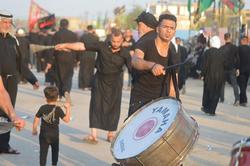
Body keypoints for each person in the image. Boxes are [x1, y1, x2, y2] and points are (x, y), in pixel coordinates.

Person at [55, 29, 131, 144]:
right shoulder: (102, 46)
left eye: (118, 41)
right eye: (113, 41)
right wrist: (66, 45)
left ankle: (111, 134)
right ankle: (93, 135)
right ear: (110, 39)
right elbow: (82, 46)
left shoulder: (125, 53)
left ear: (122, 40)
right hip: (99, 80)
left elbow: (132, 69)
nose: (115, 44)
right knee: (95, 105)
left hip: (115, 82)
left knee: (113, 108)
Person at [0, 10, 39, 154]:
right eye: (4, 22)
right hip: (0, 81)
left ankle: (4, 145)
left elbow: (20, 64)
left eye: (9, 23)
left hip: (11, 81)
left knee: (9, 113)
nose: (7, 25)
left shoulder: (13, 40)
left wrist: (32, 79)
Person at [128, 13, 179, 117]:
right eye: (165, 27)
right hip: (140, 99)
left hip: (161, 102)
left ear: (174, 31)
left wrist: (173, 105)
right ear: (157, 29)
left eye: (172, 28)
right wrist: (152, 65)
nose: (168, 30)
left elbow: (174, 82)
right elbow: (135, 60)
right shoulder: (145, 43)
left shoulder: (173, 52)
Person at [32, 86, 71, 166]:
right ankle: (54, 164)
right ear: (57, 98)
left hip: (44, 134)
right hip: (54, 135)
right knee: (55, 151)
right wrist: (68, 109)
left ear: (46, 97)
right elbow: (67, 120)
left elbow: (36, 117)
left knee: (43, 152)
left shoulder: (42, 108)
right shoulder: (58, 109)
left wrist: (34, 129)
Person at [52, 19, 78, 103]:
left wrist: (50, 59)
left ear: (60, 25)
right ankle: (66, 91)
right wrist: (77, 59)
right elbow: (77, 47)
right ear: (67, 25)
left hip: (58, 58)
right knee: (68, 76)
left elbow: (52, 47)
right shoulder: (73, 34)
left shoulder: (56, 34)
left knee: (58, 76)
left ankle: (59, 95)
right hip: (70, 58)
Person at [201, 36, 225, 116]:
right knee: (216, 93)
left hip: (209, 76)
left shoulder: (207, 52)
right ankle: (212, 110)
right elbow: (226, 65)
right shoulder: (222, 52)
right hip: (219, 77)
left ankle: (206, 107)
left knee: (208, 92)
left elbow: (205, 65)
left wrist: (202, 74)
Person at [220, 33, 240, 105]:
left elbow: (220, 60)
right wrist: (237, 68)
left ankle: (222, 99)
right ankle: (237, 99)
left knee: (222, 84)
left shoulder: (221, 48)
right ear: (230, 38)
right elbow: (237, 59)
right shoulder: (235, 47)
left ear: (224, 38)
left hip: (223, 68)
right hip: (232, 68)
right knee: (234, 84)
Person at [78, 25, 99, 90]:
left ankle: (83, 85)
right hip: (92, 56)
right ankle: (89, 85)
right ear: (92, 29)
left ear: (87, 29)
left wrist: (78, 58)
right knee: (90, 71)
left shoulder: (83, 37)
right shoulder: (96, 38)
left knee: (83, 70)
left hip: (84, 55)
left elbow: (79, 46)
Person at [238, 36, 250, 106]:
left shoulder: (239, 48)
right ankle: (241, 99)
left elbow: (237, 59)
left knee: (242, 86)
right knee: (244, 85)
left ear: (242, 41)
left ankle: (244, 100)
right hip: (248, 70)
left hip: (241, 70)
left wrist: (237, 68)